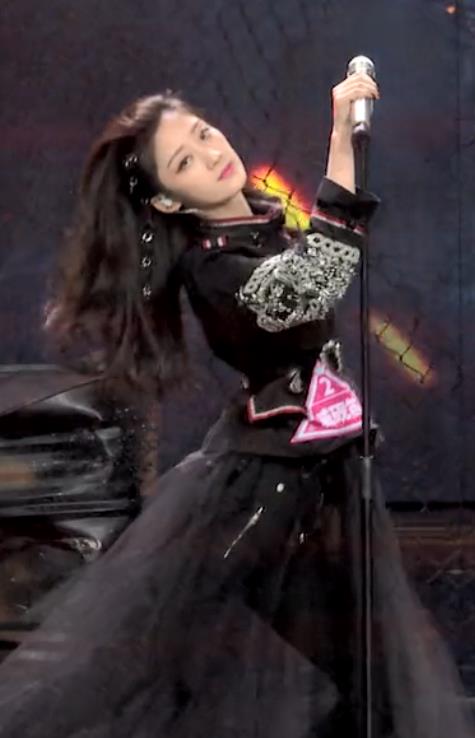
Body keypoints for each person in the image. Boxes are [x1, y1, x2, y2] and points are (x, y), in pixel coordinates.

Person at [0, 74, 472, 738]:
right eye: (185, 160)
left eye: (202, 133)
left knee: (362, 677)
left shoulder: (259, 224)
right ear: (167, 199)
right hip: (271, 494)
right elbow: (312, 284)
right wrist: (341, 137)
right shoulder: (213, 268)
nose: (211, 152)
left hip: (319, 476)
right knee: (170, 667)